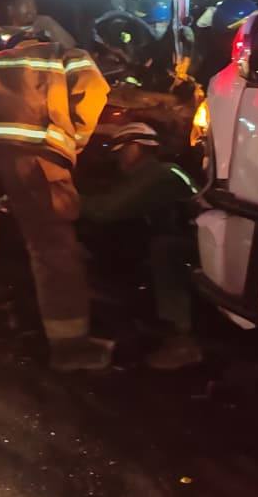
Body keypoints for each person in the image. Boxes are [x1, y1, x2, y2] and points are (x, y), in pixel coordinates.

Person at [0, 31, 112, 370]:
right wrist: (70, 142)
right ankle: (69, 345)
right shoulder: (62, 53)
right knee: (51, 245)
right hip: (32, 153)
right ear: (39, 38)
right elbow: (94, 91)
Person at [79, 122, 203, 370]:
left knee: (165, 249)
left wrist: (62, 199)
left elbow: (108, 209)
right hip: (186, 239)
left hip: (197, 246)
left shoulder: (163, 174)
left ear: (136, 148)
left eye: (120, 152)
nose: (117, 160)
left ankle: (182, 339)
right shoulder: (150, 175)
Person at [0, 0, 77, 48]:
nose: (31, 10)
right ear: (11, 10)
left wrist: (50, 25)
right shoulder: (2, 32)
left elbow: (70, 46)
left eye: (33, 5)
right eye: (25, 5)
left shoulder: (44, 31)